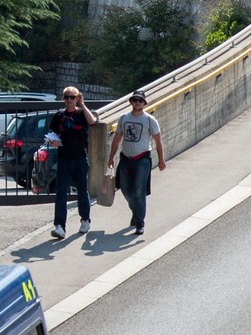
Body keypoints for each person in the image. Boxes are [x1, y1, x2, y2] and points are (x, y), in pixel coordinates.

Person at [106, 90, 165, 236]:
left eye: (140, 100)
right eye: (135, 100)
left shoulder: (149, 120)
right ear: (131, 102)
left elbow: (158, 141)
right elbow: (117, 138)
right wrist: (111, 157)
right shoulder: (123, 118)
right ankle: (136, 212)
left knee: (139, 192)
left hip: (142, 159)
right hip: (126, 158)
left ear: (144, 103)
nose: (137, 102)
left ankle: (139, 222)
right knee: (126, 190)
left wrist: (161, 160)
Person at [49, 86, 97, 239]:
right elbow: (52, 135)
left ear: (77, 98)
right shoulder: (58, 116)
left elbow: (92, 121)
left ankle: (85, 220)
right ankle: (59, 226)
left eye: (72, 97)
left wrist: (82, 104)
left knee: (82, 191)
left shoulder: (81, 113)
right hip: (63, 158)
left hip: (80, 158)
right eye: (66, 97)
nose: (69, 100)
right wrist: (53, 142)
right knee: (61, 193)